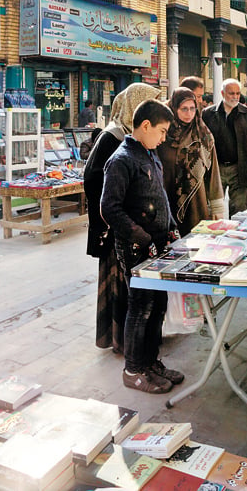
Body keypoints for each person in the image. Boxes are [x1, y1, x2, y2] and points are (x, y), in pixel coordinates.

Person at [100, 99, 184, 393]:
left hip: (158, 245)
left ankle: (150, 362)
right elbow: (109, 208)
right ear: (145, 126)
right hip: (136, 249)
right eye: (161, 131)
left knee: (157, 305)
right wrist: (142, 237)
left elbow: (161, 196)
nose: (163, 138)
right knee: (141, 307)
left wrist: (172, 229)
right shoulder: (121, 160)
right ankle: (133, 369)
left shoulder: (150, 154)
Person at [84, 82, 162, 354]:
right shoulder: (113, 137)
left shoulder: (135, 136)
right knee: (121, 287)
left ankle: (134, 342)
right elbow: (93, 180)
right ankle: (123, 343)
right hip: (118, 230)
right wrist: (115, 220)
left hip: (132, 227)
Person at [158, 87, 225, 236]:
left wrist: (217, 207)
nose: (189, 114)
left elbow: (213, 174)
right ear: (174, 109)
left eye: (192, 109)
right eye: (184, 109)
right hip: (166, 199)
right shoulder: (162, 135)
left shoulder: (203, 135)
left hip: (196, 203)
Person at [202, 78, 247, 216]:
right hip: (216, 168)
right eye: (231, 93)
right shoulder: (208, 114)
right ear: (223, 93)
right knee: (213, 210)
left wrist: (242, 155)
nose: (235, 97)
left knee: (239, 211)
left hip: (239, 168)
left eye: (237, 93)